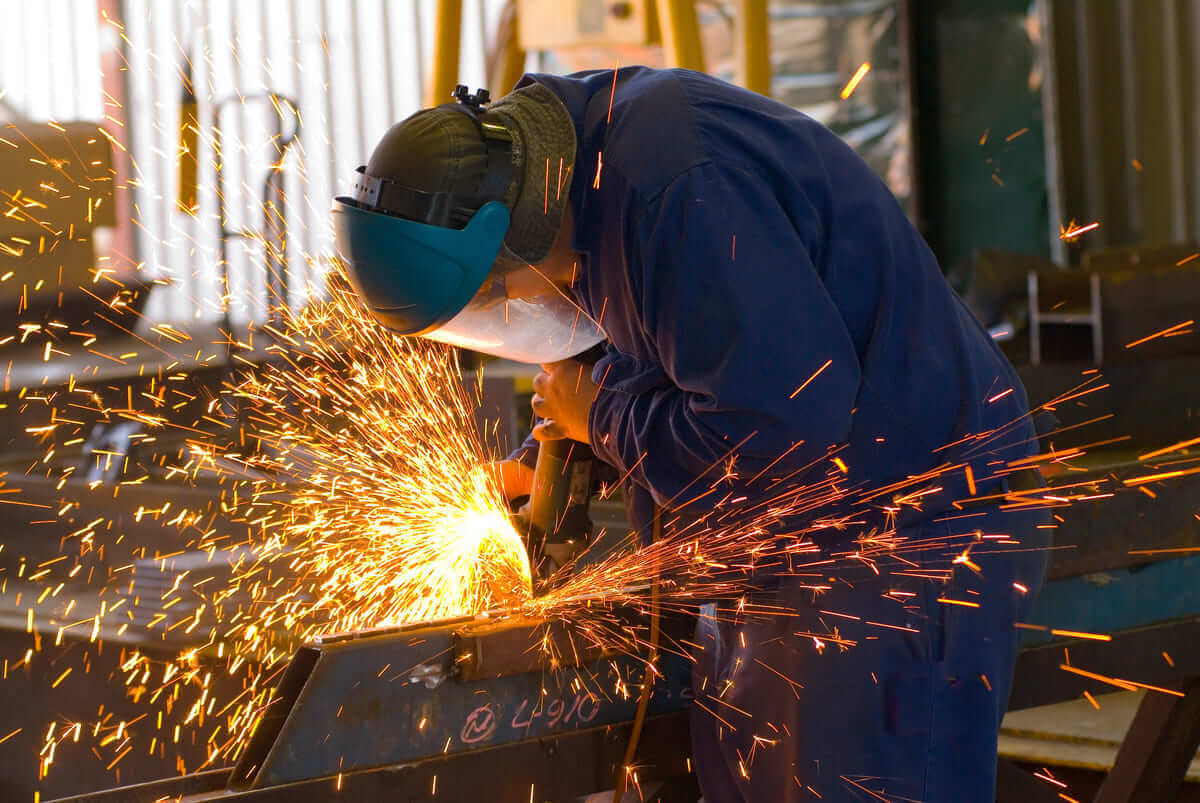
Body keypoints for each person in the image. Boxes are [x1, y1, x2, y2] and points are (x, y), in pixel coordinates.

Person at [332, 69, 1050, 802]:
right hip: (799, 552)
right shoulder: (577, 168)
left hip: (896, 543)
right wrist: (557, 454)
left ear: (508, 233)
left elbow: (781, 430)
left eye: (504, 291)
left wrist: (602, 415)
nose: (518, 304)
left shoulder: (677, 189)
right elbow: (681, 350)